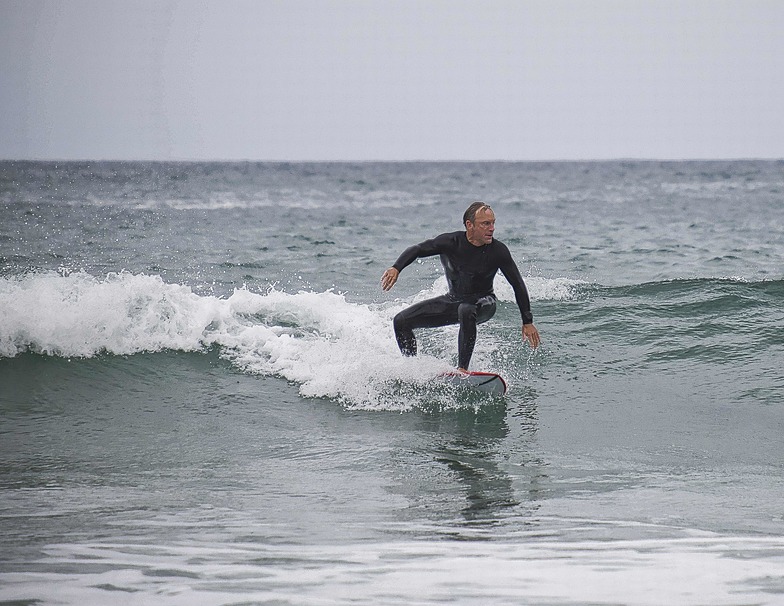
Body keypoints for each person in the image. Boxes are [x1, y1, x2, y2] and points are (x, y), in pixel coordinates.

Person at [381, 202, 540, 371]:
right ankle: (412, 368)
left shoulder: (498, 251)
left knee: (466, 309)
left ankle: (462, 369)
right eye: (486, 223)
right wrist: (396, 267)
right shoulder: (450, 242)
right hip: (453, 301)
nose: (492, 228)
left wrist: (527, 321)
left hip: (484, 303)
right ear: (469, 225)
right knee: (401, 321)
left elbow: (517, 284)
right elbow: (418, 249)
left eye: (493, 223)